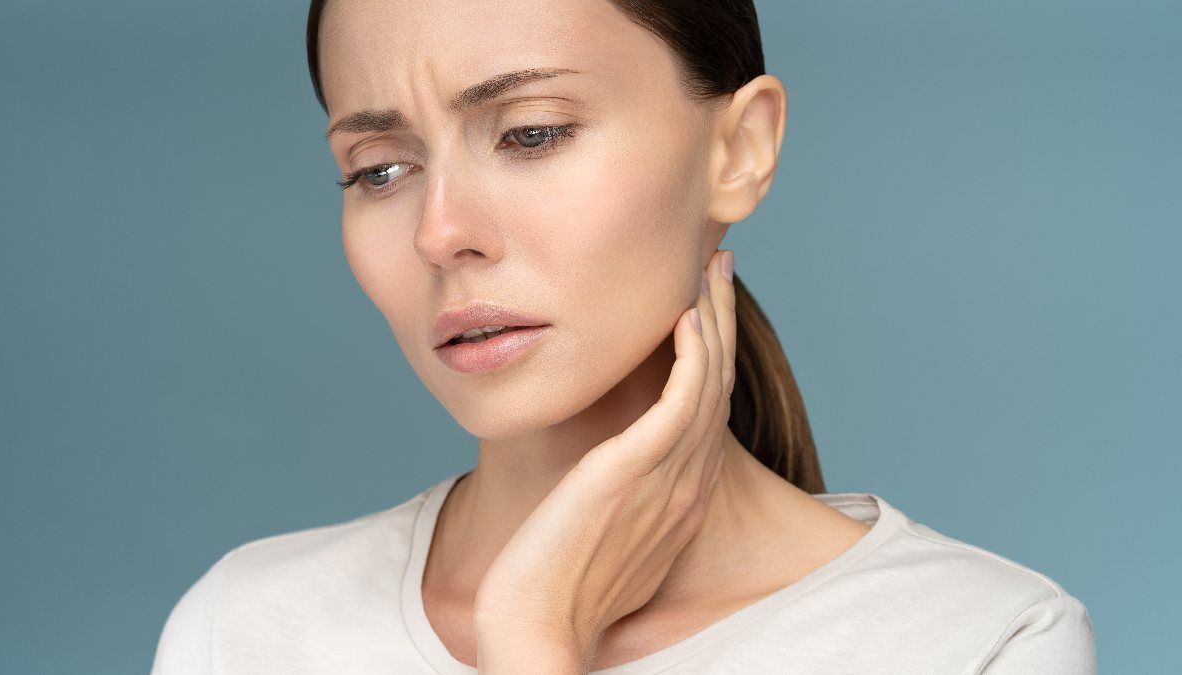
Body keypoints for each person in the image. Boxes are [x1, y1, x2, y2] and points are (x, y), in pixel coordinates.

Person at [151, 0, 1097, 672]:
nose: (440, 233)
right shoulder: (247, 630)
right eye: (380, 170)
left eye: (530, 133)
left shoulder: (979, 641)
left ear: (739, 150)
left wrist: (534, 638)